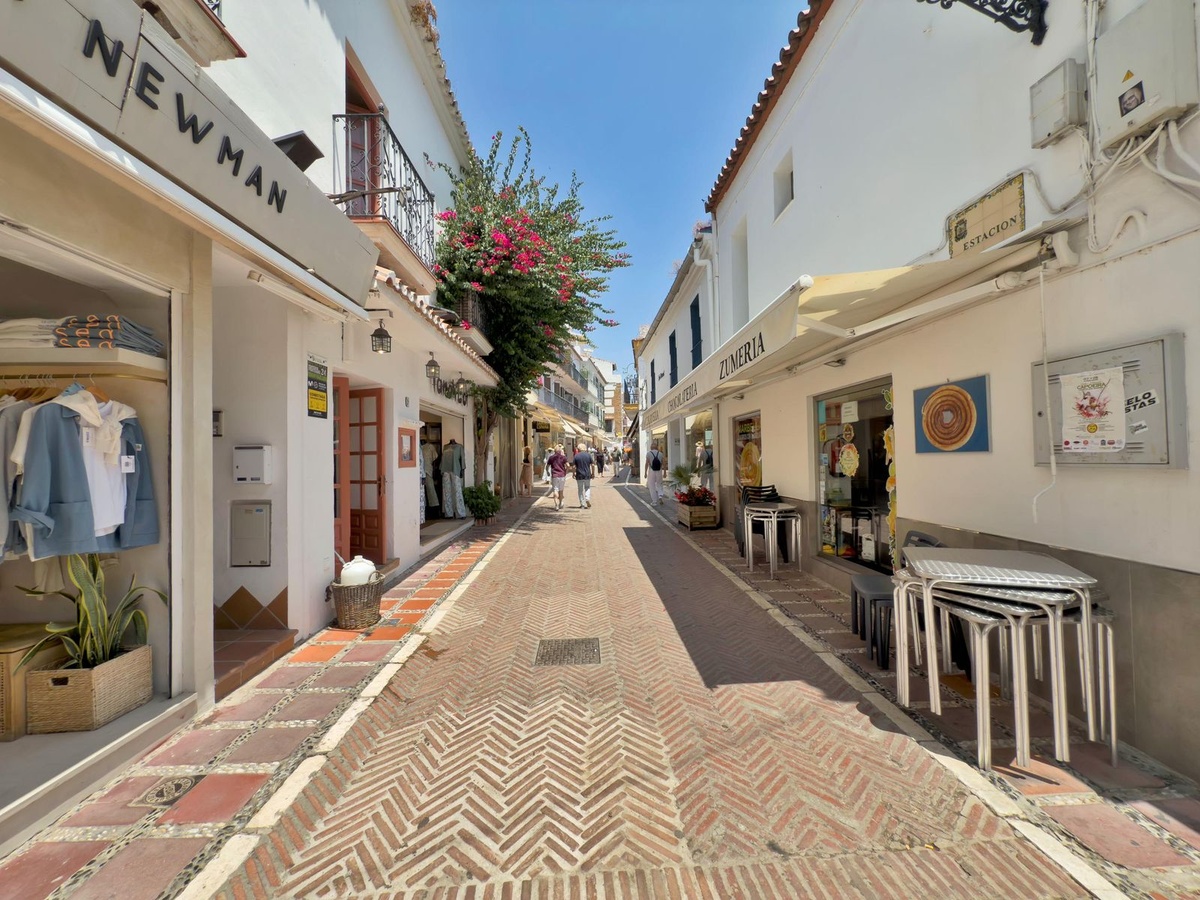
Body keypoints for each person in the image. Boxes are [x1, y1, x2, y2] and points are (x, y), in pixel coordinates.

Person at [572, 442, 595, 508]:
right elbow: (593, 465)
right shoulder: (588, 455)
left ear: (578, 449)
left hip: (579, 475)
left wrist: (573, 473)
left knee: (580, 489)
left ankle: (582, 503)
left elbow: (573, 466)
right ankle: (587, 498)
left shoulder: (576, 456)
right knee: (587, 487)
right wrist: (593, 473)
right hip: (587, 474)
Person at [547, 443, 568, 510]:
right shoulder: (563, 457)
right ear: (560, 450)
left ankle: (556, 505)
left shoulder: (551, 457)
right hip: (562, 475)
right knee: (561, 490)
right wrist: (566, 471)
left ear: (554, 451)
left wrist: (547, 472)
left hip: (555, 475)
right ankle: (560, 503)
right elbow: (568, 465)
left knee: (555, 489)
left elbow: (547, 466)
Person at [645, 440, 665, 505]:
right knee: (659, 484)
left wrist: (645, 472)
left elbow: (647, 463)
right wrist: (664, 472)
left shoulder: (648, 453)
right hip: (659, 470)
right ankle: (660, 496)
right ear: (657, 447)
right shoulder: (660, 453)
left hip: (652, 471)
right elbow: (664, 463)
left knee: (651, 485)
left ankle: (654, 501)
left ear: (651, 447)